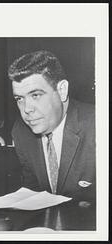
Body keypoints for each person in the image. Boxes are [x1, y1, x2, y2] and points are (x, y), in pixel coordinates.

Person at [8, 50, 95, 202]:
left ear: (62, 90)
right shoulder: (21, 132)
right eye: (19, 98)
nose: (26, 109)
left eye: (35, 95)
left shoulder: (98, 127)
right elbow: (32, 193)